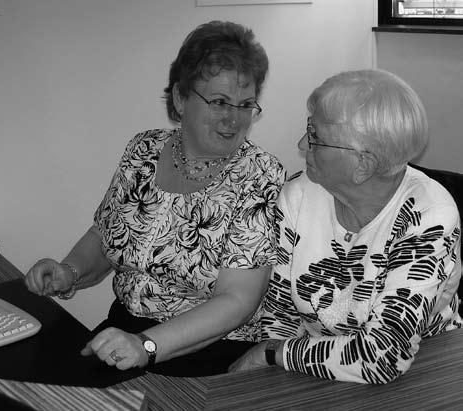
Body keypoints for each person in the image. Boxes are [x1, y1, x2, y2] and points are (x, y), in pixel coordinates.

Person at [24, 20, 285, 377]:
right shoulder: (143, 150)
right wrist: (69, 271)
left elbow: (238, 302)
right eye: (220, 102)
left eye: (245, 105)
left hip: (210, 351)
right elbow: (105, 235)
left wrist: (147, 345)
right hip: (123, 330)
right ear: (180, 98)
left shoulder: (259, 174)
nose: (233, 118)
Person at [229, 69, 462, 384]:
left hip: (422, 371)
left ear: (363, 165)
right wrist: (276, 375)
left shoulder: (429, 214)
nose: (301, 144)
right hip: (311, 366)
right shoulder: (298, 195)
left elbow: (383, 356)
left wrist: (273, 353)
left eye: (315, 137)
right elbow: (280, 314)